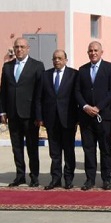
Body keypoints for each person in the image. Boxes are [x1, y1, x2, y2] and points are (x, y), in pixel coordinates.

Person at [0, 37, 44, 187]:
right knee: (17, 147)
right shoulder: (7, 67)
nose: (19, 49)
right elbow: (3, 91)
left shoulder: (37, 66)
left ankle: (34, 176)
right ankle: (20, 176)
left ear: (28, 48)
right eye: (17, 47)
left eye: (22, 47)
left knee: (32, 147)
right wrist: (2, 112)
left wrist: (39, 115)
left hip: (30, 115)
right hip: (13, 114)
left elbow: (40, 92)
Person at [75, 41, 111, 190]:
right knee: (89, 149)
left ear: (101, 52)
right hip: (86, 117)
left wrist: (98, 107)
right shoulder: (82, 70)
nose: (93, 53)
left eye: (95, 50)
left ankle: (106, 179)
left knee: (105, 149)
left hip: (104, 116)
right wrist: (86, 107)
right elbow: (77, 91)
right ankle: (90, 179)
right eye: (90, 51)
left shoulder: (110, 68)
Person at [35, 49, 78, 190]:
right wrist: (40, 117)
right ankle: (55, 178)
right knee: (54, 152)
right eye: (54, 58)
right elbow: (39, 98)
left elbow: (78, 97)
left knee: (69, 151)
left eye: (60, 58)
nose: (57, 61)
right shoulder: (45, 75)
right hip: (51, 119)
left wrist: (78, 118)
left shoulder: (74, 74)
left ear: (66, 60)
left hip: (68, 119)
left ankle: (68, 179)